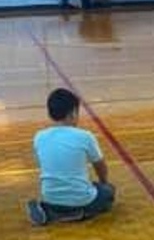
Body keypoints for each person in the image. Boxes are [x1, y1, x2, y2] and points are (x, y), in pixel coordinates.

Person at [26, 88, 116, 226]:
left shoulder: (39, 137)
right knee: (108, 192)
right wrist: (104, 183)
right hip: (82, 198)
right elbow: (100, 165)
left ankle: (49, 211)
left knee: (60, 196)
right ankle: (79, 212)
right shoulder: (85, 136)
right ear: (73, 113)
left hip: (50, 196)